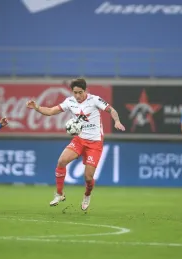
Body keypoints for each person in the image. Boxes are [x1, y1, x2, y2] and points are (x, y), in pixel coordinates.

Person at [26, 78, 125, 211]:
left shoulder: (95, 100)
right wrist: (37, 108)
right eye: (75, 92)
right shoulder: (69, 102)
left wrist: (117, 121)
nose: (77, 96)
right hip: (79, 140)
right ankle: (59, 194)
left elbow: (112, 110)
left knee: (88, 177)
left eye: (80, 92)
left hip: (95, 143)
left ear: (85, 90)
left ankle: (87, 195)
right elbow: (50, 111)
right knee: (61, 161)